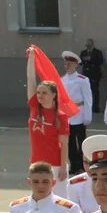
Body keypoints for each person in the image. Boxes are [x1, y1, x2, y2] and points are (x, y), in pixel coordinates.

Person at [26, 50, 71, 179]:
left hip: (55, 166)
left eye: (44, 93)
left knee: (58, 199)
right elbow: (30, 79)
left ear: (53, 95)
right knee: (38, 197)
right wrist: (32, 57)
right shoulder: (34, 106)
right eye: (39, 92)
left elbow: (64, 144)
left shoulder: (61, 116)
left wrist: (63, 167)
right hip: (36, 163)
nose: (40, 95)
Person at [61, 52, 94, 174]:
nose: (67, 65)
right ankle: (73, 164)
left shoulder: (82, 80)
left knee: (81, 141)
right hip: (66, 114)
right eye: (66, 63)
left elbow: (88, 99)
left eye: (70, 63)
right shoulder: (61, 79)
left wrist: (87, 115)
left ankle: (82, 164)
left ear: (76, 65)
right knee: (69, 142)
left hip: (79, 112)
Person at [79, 39, 105, 114]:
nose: (88, 46)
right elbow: (80, 62)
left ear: (92, 44)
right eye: (87, 45)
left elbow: (100, 61)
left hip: (95, 74)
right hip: (86, 74)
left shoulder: (97, 52)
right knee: (86, 91)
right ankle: (87, 107)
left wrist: (91, 59)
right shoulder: (83, 52)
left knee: (95, 91)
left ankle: (95, 107)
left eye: (89, 45)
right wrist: (85, 59)